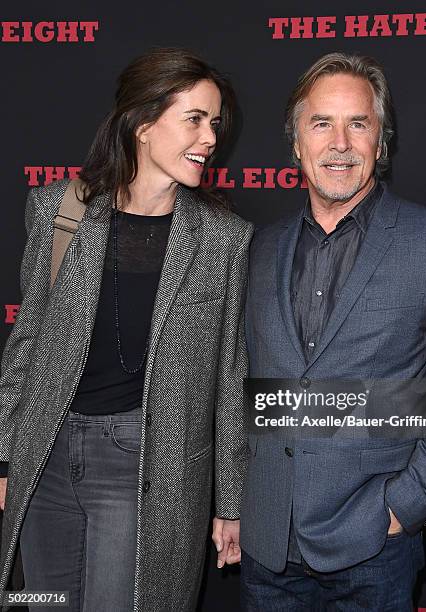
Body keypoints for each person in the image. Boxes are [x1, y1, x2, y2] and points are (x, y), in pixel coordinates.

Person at [0, 47, 252, 611]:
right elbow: (28, 343)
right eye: (194, 119)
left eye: (215, 122)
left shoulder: (223, 240)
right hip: (46, 454)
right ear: (142, 123)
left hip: (143, 462)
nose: (210, 137)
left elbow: (228, 379)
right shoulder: (57, 210)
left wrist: (229, 503)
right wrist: (5, 456)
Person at [240, 52, 426, 611]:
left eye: (359, 123)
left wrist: (403, 507)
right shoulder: (257, 250)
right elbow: (243, 389)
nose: (340, 142)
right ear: (296, 143)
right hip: (267, 549)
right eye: (321, 123)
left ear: (380, 142)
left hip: (373, 548)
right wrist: (237, 506)